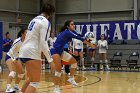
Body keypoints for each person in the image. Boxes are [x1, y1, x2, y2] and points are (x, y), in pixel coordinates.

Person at [50, 20, 96, 93]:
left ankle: (71, 78)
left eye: (74, 24)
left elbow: (80, 36)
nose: (73, 25)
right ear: (68, 26)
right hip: (54, 50)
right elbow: (80, 38)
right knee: (58, 70)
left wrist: (87, 39)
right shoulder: (67, 32)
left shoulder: (72, 31)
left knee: (74, 62)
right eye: (72, 24)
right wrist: (90, 44)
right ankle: (56, 88)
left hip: (61, 51)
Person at [18, 3, 55, 93]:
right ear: (50, 14)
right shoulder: (45, 22)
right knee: (35, 82)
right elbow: (43, 42)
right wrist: (50, 61)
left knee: (30, 79)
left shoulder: (33, 19)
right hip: (32, 52)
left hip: (23, 50)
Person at [5, 27, 27, 93]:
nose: (28, 33)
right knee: (13, 72)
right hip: (9, 56)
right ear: (22, 33)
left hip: (17, 58)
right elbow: (11, 50)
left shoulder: (26, 42)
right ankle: (8, 88)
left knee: (22, 73)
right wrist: (13, 59)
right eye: (26, 32)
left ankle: (16, 86)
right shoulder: (17, 41)